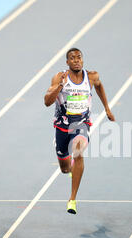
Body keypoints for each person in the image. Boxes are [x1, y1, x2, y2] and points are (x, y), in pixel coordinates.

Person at [44, 48, 115, 214]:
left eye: (79, 57)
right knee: (64, 169)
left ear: (82, 60)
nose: (76, 60)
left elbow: (99, 86)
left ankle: (72, 200)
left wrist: (107, 108)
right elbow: (47, 101)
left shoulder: (91, 76)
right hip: (62, 126)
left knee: (78, 150)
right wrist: (60, 86)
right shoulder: (59, 77)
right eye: (72, 58)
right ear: (67, 62)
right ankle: (70, 166)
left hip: (82, 124)